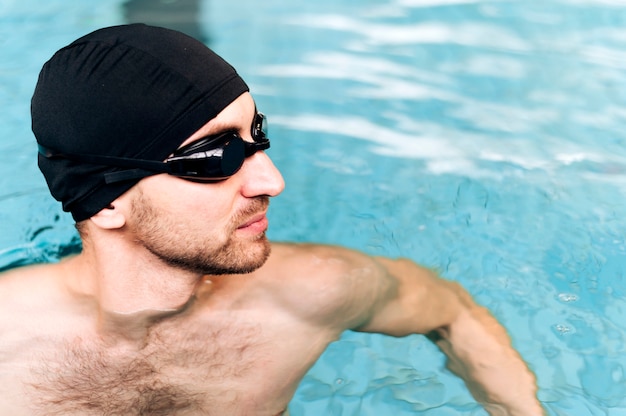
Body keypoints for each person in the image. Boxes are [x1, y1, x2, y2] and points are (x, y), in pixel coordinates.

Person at [0, 24, 544, 416]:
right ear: (106, 201)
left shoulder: (312, 293)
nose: (271, 180)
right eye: (215, 157)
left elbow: (452, 312)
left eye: (256, 136)